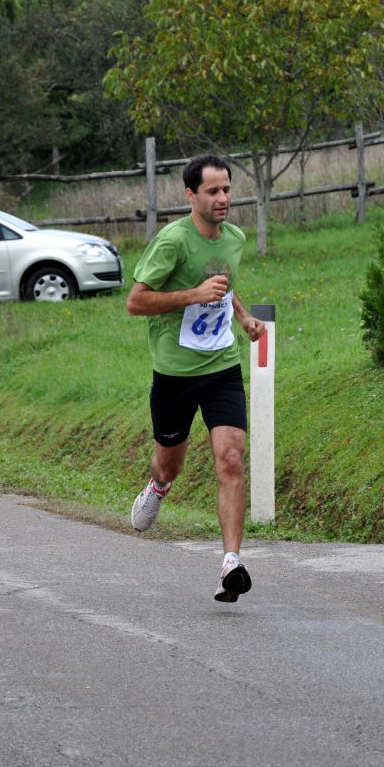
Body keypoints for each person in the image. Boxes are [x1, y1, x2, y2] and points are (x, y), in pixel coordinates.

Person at [127, 154, 265, 602]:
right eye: (213, 191)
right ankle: (158, 486)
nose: (223, 198)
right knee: (171, 461)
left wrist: (242, 317)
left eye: (227, 189)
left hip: (222, 366)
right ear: (191, 195)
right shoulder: (172, 243)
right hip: (175, 373)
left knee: (230, 459)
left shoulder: (235, 238)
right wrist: (193, 296)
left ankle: (231, 562)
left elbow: (223, 284)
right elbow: (136, 302)